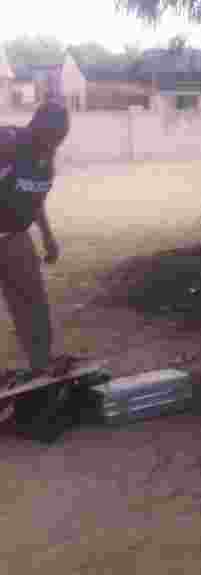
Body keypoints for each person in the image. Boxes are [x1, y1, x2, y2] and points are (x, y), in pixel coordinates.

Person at [0, 99, 71, 380]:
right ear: (37, 127)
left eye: (61, 139)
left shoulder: (45, 155)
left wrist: (48, 236)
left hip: (16, 236)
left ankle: (41, 365)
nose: (56, 145)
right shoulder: (7, 141)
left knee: (32, 303)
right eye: (54, 137)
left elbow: (33, 198)